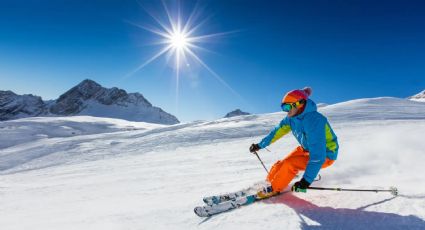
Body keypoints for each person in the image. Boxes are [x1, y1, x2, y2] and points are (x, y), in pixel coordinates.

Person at [249, 87, 338, 197]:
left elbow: (318, 155)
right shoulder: (292, 118)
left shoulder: (314, 120)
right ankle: (269, 182)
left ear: (298, 104)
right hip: (306, 149)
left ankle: (274, 188)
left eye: (287, 107)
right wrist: (260, 145)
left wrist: (306, 181)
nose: (286, 111)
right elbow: (277, 132)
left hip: (326, 154)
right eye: (283, 107)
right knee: (280, 164)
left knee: (290, 164)